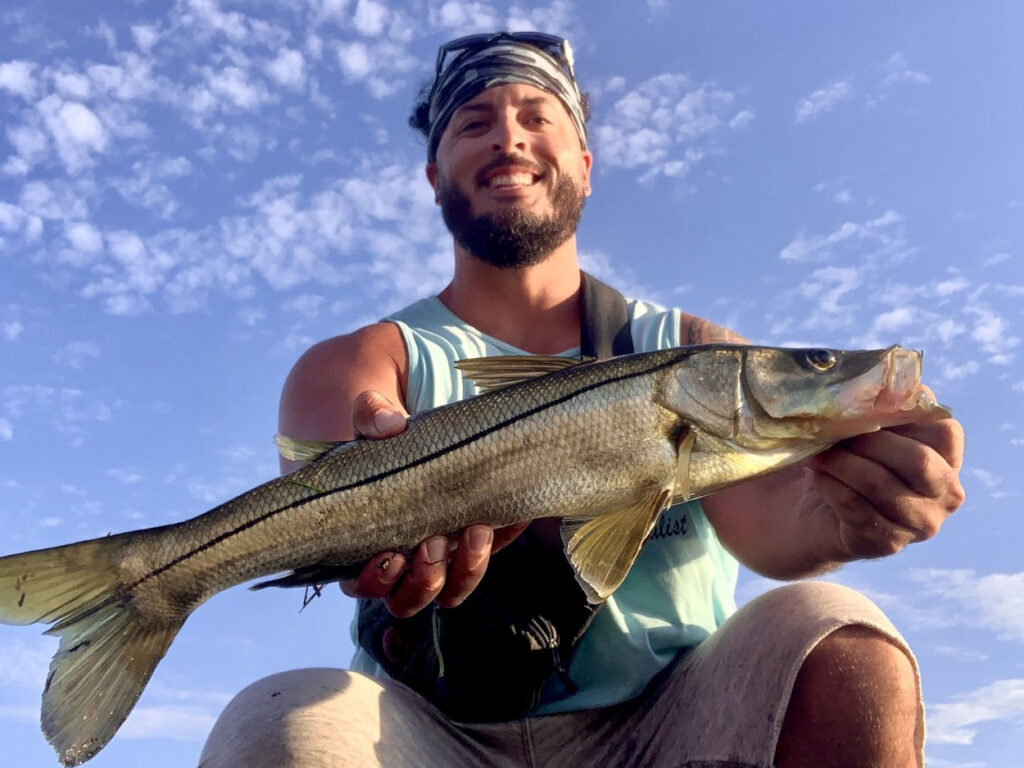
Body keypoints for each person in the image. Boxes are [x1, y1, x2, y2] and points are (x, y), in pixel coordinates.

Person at [199, 32, 965, 768]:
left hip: (669, 714)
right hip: (428, 731)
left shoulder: (696, 345)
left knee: (840, 636)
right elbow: (341, 544)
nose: (509, 138)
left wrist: (850, 512)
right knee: (271, 724)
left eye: (539, 116)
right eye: (473, 122)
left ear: (586, 164)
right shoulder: (354, 363)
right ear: (434, 175)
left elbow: (775, 533)